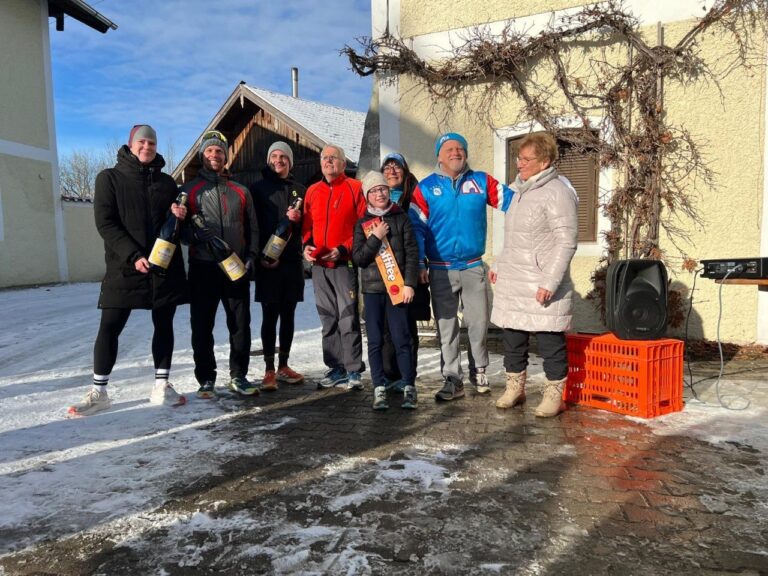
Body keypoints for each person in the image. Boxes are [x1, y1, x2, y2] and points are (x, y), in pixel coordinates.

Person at [68, 125, 188, 416]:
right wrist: (133, 255)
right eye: (142, 142)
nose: (147, 146)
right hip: (124, 265)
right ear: (131, 145)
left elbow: (172, 227)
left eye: (152, 142)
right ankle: (100, 393)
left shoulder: (167, 183)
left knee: (164, 325)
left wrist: (180, 216)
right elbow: (106, 223)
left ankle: (161, 386)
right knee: (110, 326)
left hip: (163, 265)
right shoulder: (109, 178)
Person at [410, 132, 514, 401]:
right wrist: (421, 261)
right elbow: (416, 229)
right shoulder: (425, 187)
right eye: (449, 149)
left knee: (478, 322)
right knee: (447, 326)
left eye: (460, 148)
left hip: (472, 266)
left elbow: (516, 204)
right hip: (440, 268)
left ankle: (479, 370)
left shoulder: (481, 182)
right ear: (439, 156)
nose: (456, 153)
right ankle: (452, 378)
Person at [490, 132, 578, 417]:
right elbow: (514, 239)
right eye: (519, 158)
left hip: (542, 283)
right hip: (514, 281)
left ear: (545, 162)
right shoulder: (519, 192)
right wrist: (499, 264)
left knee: (550, 341)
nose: (520, 164)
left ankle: (554, 395)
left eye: (527, 159)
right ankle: (515, 388)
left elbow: (566, 241)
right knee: (513, 338)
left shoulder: (557, 192)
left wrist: (550, 282)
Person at [183, 130, 260, 398]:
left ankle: (239, 375)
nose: (214, 155)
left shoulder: (240, 191)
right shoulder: (189, 190)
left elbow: (253, 228)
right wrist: (194, 234)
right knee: (202, 325)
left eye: (219, 151)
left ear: (226, 157)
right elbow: (179, 232)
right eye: (209, 151)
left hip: (235, 266)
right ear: (202, 155)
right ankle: (206, 378)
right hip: (203, 267)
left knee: (240, 324)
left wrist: (251, 256)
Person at [352, 172, 419, 410]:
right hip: (372, 292)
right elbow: (359, 258)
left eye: (383, 189)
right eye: (374, 191)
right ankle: (378, 387)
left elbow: (412, 253)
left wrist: (410, 284)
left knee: (402, 339)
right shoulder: (362, 224)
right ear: (367, 196)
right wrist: (376, 238)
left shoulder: (401, 218)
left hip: (397, 289)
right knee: (376, 341)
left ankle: (409, 386)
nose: (380, 194)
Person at [302, 144, 367, 389]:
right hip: (319, 267)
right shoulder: (312, 191)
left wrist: (344, 248)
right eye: (325, 158)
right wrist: (305, 246)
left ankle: (353, 370)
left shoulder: (355, 188)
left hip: (344, 263)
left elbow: (362, 227)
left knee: (348, 317)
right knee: (328, 319)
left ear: (342, 162)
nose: (329, 161)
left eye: (334, 158)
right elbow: (307, 226)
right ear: (320, 163)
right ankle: (335, 367)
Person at [250, 142, 306, 391]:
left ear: (290, 162)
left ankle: (284, 365)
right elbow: (252, 225)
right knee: (269, 315)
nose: (279, 160)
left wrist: (299, 219)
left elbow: (307, 228)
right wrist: (260, 256)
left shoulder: (299, 190)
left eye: (284, 156)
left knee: (289, 314)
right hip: (267, 261)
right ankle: (269, 369)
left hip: (292, 262)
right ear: (268, 159)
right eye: (274, 155)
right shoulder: (257, 189)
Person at [378, 153, 431, 391]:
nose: (391, 171)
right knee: (387, 327)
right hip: (384, 270)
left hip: (409, 270)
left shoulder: (416, 196)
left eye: (396, 167)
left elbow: (424, 232)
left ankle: (407, 376)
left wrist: (421, 264)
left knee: (407, 327)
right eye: (387, 167)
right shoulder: (378, 198)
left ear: (405, 170)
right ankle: (390, 375)